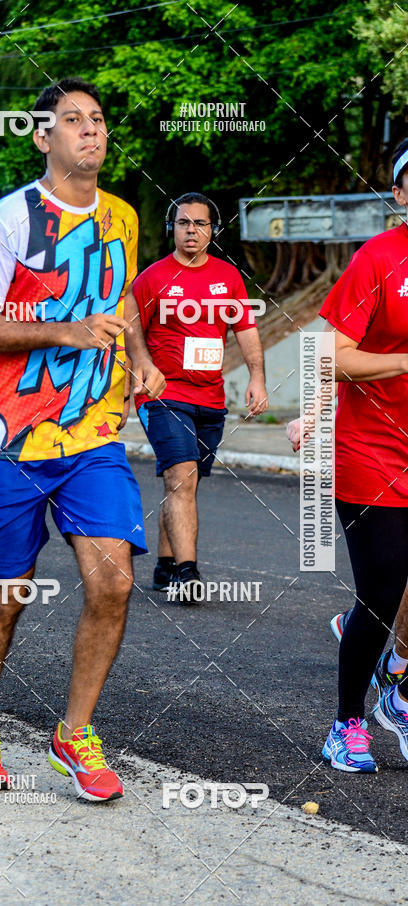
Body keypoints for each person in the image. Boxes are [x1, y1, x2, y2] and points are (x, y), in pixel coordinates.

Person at [0, 77, 165, 800]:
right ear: (44, 138)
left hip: (91, 435)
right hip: (7, 441)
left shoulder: (123, 216)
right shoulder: (9, 220)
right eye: (73, 120)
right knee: (8, 594)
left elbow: (122, 295)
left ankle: (74, 734)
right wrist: (64, 331)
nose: (91, 130)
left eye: (97, 119)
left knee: (114, 582)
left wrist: (139, 357)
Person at [316, 137, 408, 772]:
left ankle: (398, 693)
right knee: (381, 589)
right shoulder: (378, 258)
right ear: (399, 193)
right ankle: (347, 722)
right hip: (371, 450)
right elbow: (330, 356)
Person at [129, 192, 268, 596]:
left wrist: (257, 378)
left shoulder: (228, 277)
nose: (191, 230)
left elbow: (246, 330)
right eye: (183, 223)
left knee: (184, 484)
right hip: (164, 395)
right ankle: (187, 574)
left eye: (200, 223)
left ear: (213, 230)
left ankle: (164, 565)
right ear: (171, 228)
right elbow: (130, 334)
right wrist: (127, 390)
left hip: (210, 398)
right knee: (181, 476)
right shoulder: (152, 278)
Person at [287, 413, 408, 695]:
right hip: (375, 458)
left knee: (388, 588)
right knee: (379, 597)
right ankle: (385, 680)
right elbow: (337, 378)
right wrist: (312, 414)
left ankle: (394, 664)